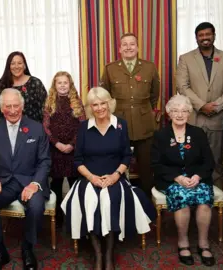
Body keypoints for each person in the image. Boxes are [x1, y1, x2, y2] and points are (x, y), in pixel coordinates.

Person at [61, 87, 156, 270]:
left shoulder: (120, 125)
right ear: (90, 107)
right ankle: (98, 254)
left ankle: (109, 255)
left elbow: (126, 156)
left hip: (115, 177)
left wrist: (115, 176)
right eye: (94, 105)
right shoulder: (83, 128)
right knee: (90, 200)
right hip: (89, 178)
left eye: (103, 103)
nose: (99, 108)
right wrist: (92, 178)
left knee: (109, 200)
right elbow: (78, 160)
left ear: (109, 103)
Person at [0, 88, 51, 270]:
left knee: (36, 206)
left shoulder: (36, 128)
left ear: (22, 106)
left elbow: (44, 161)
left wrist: (35, 184)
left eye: (16, 106)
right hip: (4, 183)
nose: (12, 110)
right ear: (2, 108)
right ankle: (0, 250)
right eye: (8, 106)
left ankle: (27, 247)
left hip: (29, 181)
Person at [151, 95, 216, 266]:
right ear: (169, 113)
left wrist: (197, 176)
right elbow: (156, 164)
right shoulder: (161, 135)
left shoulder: (198, 133)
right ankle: (183, 242)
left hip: (197, 178)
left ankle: (203, 243)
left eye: (183, 111)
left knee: (203, 198)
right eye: (175, 111)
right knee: (182, 197)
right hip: (171, 180)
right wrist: (177, 177)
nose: (179, 114)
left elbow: (209, 161)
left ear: (189, 113)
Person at [176, 22, 223, 190]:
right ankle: (192, 197)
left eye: (208, 34)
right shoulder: (186, 59)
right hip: (194, 118)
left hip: (218, 118)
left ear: (214, 35)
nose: (204, 38)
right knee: (191, 159)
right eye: (201, 35)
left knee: (216, 161)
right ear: (196, 38)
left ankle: (216, 197)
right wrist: (202, 105)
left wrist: (216, 106)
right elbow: (182, 86)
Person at [100, 33, 161, 198]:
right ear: (119, 49)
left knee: (146, 168)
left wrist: (145, 108)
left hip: (144, 124)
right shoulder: (110, 68)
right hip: (118, 123)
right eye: (124, 44)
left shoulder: (149, 67)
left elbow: (155, 94)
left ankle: (147, 205)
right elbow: (105, 95)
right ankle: (119, 201)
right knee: (117, 165)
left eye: (132, 44)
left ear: (137, 47)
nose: (128, 47)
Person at [42, 71, 86, 226]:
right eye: (59, 82)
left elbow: (82, 126)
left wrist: (72, 144)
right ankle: (58, 217)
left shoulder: (77, 102)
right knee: (56, 184)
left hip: (73, 150)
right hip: (56, 150)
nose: (62, 85)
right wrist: (57, 144)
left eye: (65, 82)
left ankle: (75, 214)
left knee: (75, 183)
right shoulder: (49, 103)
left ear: (70, 84)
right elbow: (46, 128)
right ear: (55, 85)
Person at [0, 51, 47, 122]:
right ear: (8, 66)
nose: (16, 66)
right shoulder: (1, 85)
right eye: (13, 64)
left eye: (19, 63)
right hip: (8, 130)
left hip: (34, 129)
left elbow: (46, 109)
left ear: (24, 65)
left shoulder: (35, 83)